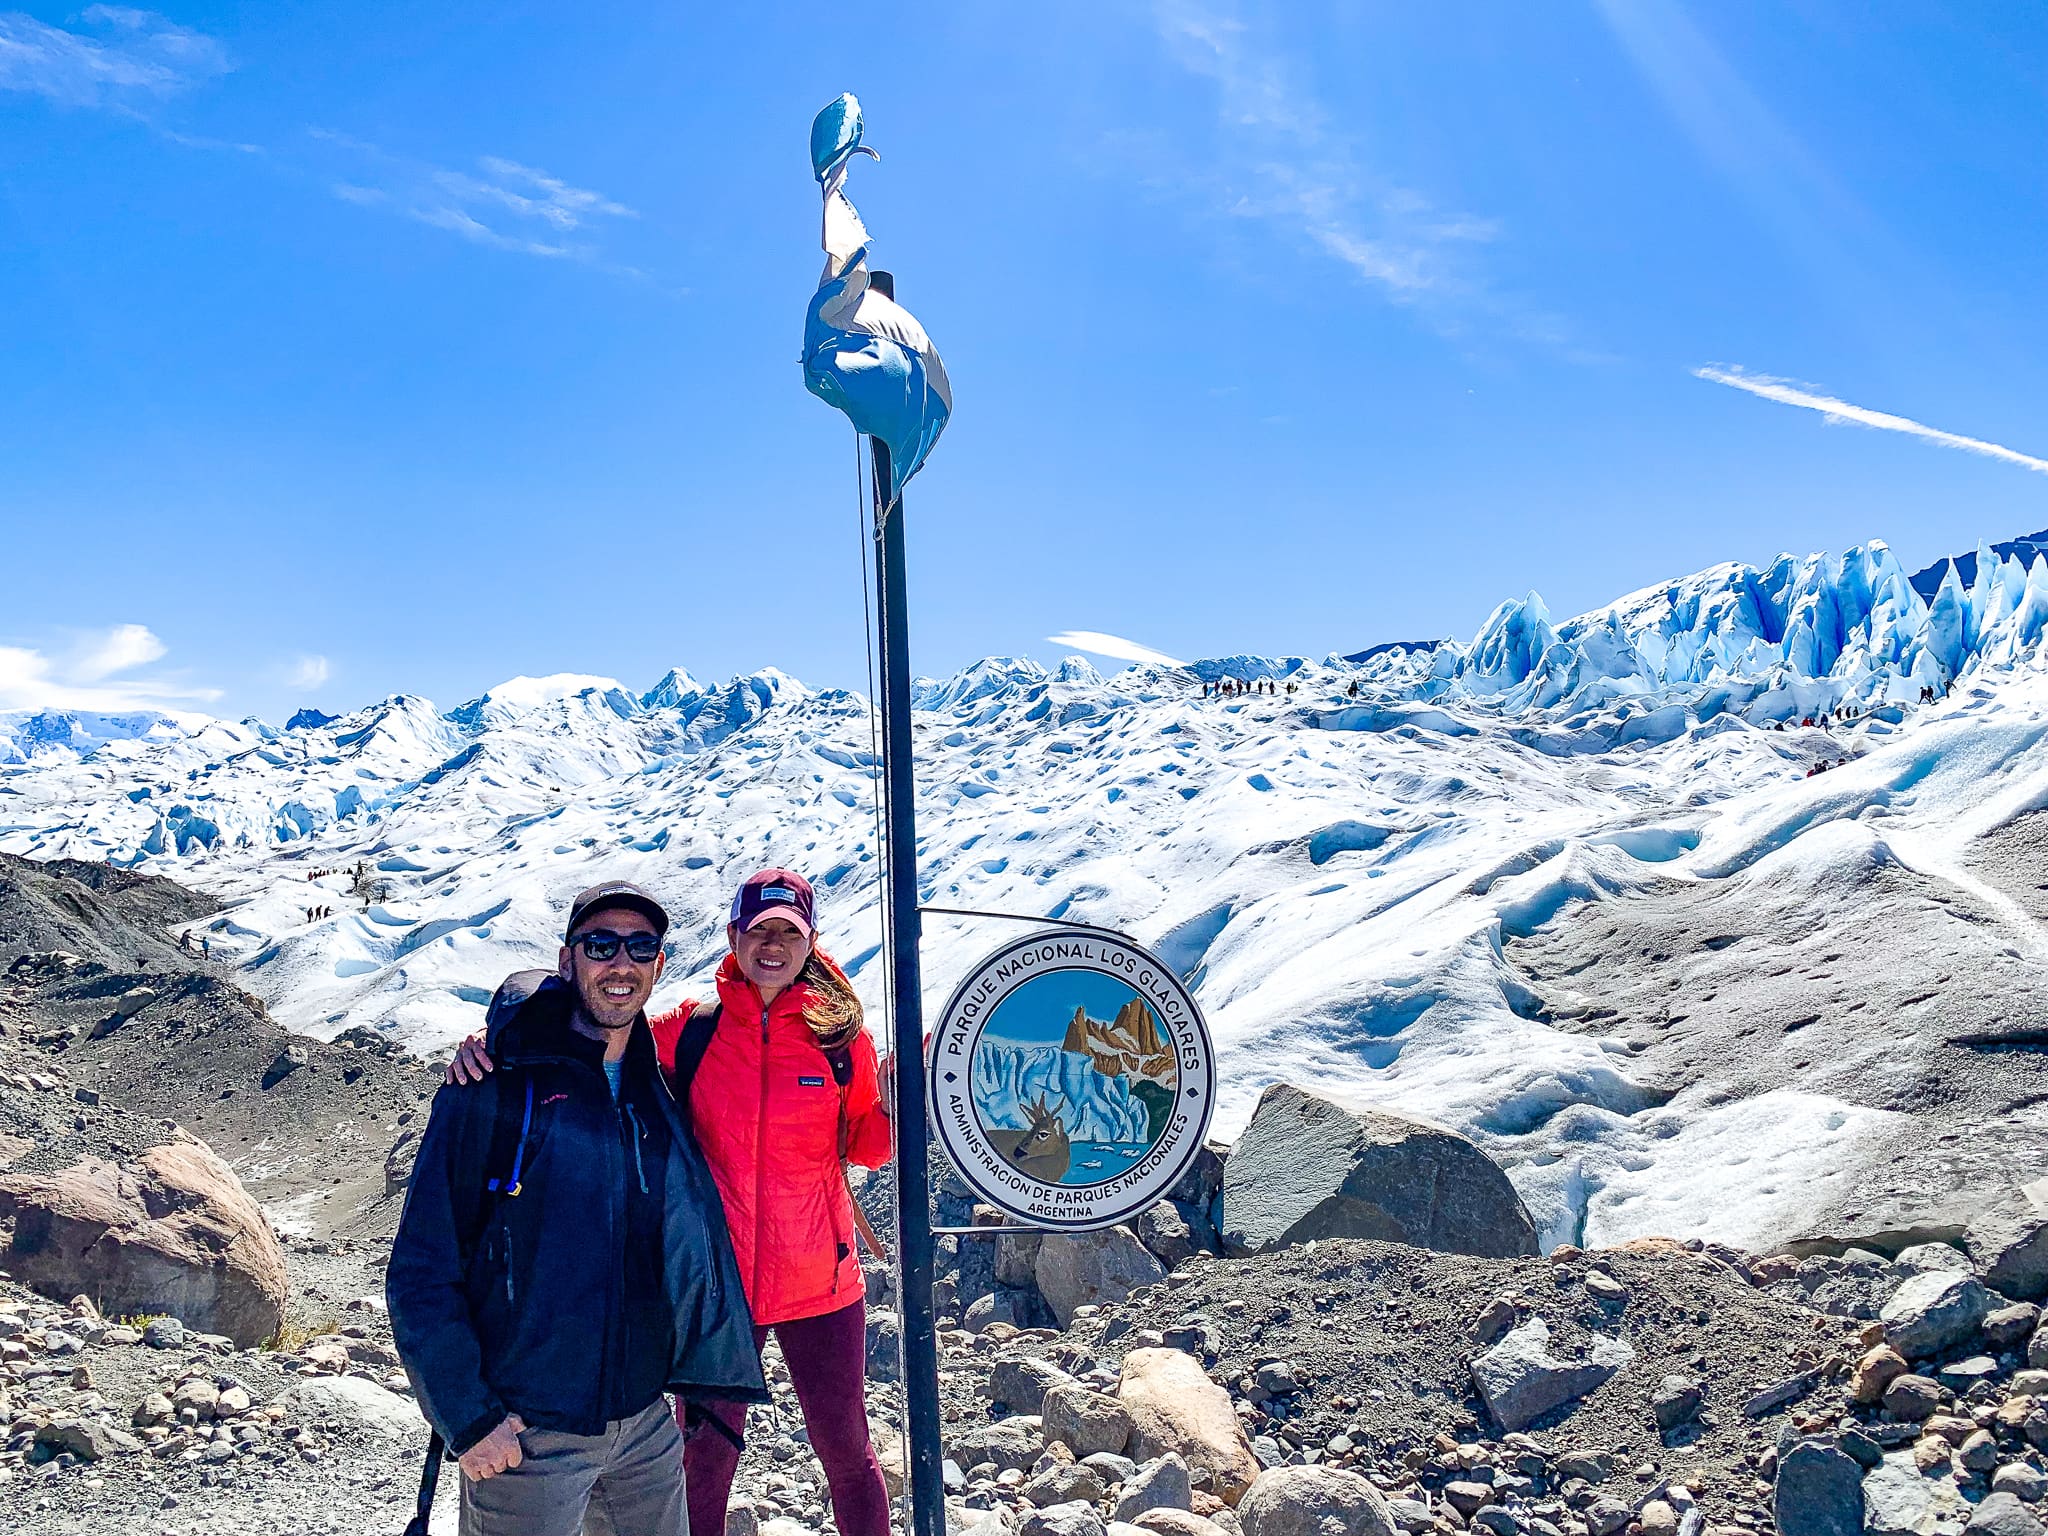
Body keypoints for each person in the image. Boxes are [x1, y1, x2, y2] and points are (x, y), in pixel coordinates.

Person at [449, 869, 895, 1536]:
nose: (773, 945)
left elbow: (864, 1145)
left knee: (847, 1454)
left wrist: (890, 1108)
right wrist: (497, 1040)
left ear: (811, 944)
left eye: (788, 933)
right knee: (704, 1460)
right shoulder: (691, 1032)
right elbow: (598, 1026)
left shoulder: (840, 1040)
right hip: (717, 1289)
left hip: (823, 1284)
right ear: (733, 936)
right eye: (759, 930)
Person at [389, 881, 767, 1536]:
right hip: (528, 1437)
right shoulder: (492, 1087)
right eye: (601, 945)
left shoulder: (657, 1089)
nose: (620, 963)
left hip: (645, 1426)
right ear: (568, 963)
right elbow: (422, 1268)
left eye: (640, 946)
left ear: (657, 963)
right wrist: (468, 1419)